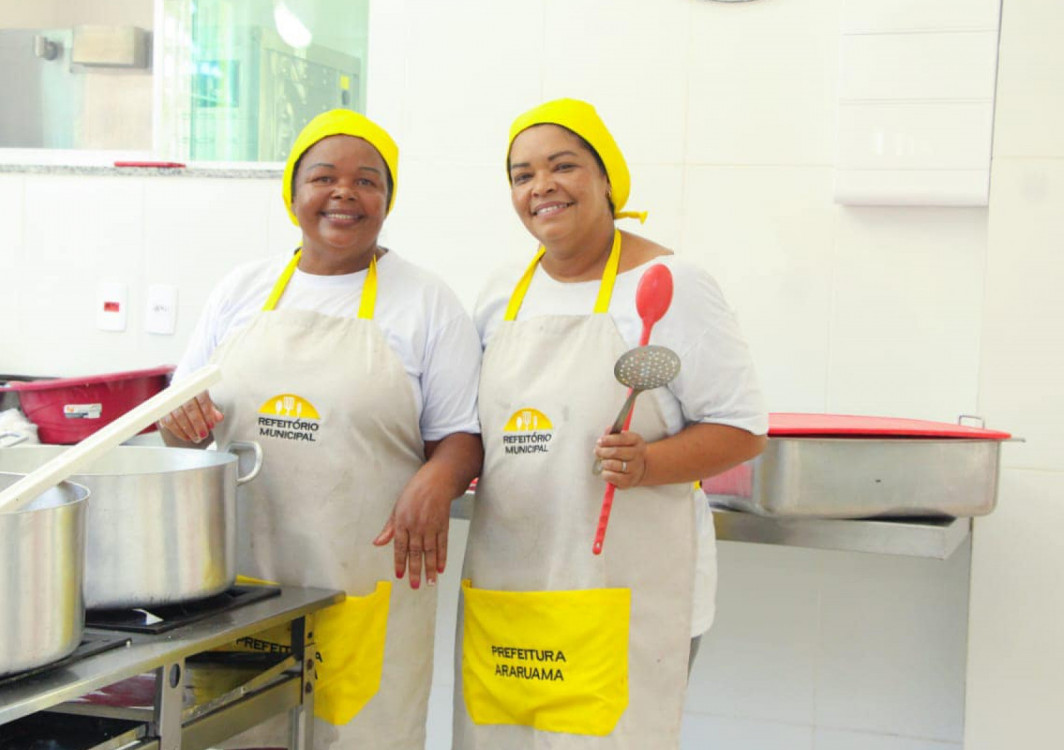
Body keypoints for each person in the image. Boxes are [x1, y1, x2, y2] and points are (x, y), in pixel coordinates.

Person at [159, 109, 483, 750]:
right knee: (234, 735)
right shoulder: (242, 290)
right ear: (294, 192)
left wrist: (438, 483)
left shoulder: (423, 300)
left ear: (387, 200)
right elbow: (180, 430)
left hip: (362, 575)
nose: (344, 193)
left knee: (360, 734)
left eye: (368, 180)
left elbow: (461, 439)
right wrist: (179, 418)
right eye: (323, 177)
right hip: (243, 575)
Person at [453, 98, 767, 749]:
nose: (541, 187)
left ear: (606, 179)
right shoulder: (500, 293)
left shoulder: (671, 283)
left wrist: (650, 463)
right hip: (513, 582)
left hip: (622, 586)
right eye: (522, 174)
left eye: (562, 165)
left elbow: (741, 427)